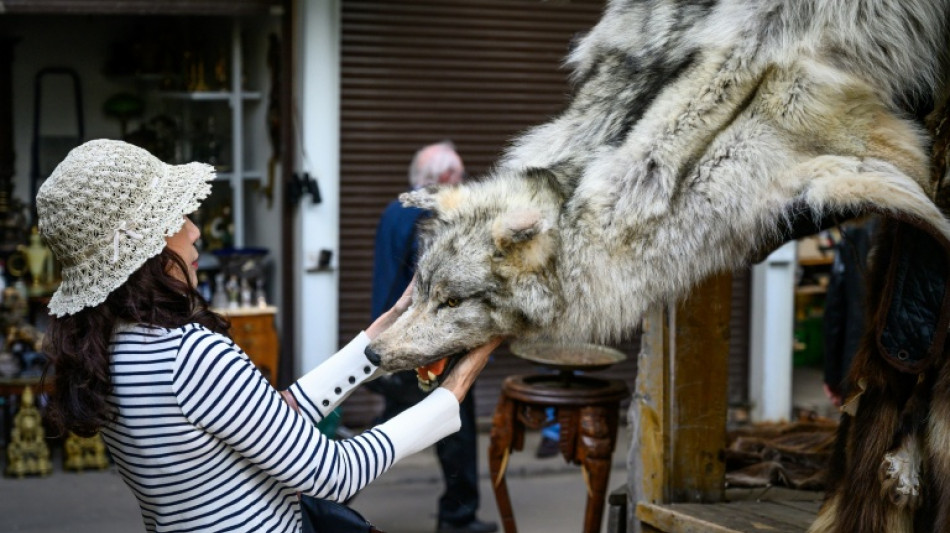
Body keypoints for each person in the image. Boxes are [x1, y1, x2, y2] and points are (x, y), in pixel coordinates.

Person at [37, 139, 502, 533]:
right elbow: (334, 474)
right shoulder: (188, 355)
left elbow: (274, 414)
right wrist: (453, 393)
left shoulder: (110, 353)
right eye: (177, 219)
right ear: (145, 245)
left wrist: (379, 340)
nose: (195, 231)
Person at [370, 141, 497, 533]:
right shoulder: (434, 217)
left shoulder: (395, 210)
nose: (465, 182)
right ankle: (458, 519)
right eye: (459, 175)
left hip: (396, 337)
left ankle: (323, 496)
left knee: (393, 428)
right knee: (452, 431)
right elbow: (440, 287)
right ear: (442, 179)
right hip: (428, 346)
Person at [822, 216, 878, 407]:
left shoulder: (853, 233)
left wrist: (832, 375)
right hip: (907, 366)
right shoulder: (918, 229)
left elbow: (835, 310)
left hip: (856, 363)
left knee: (856, 431)